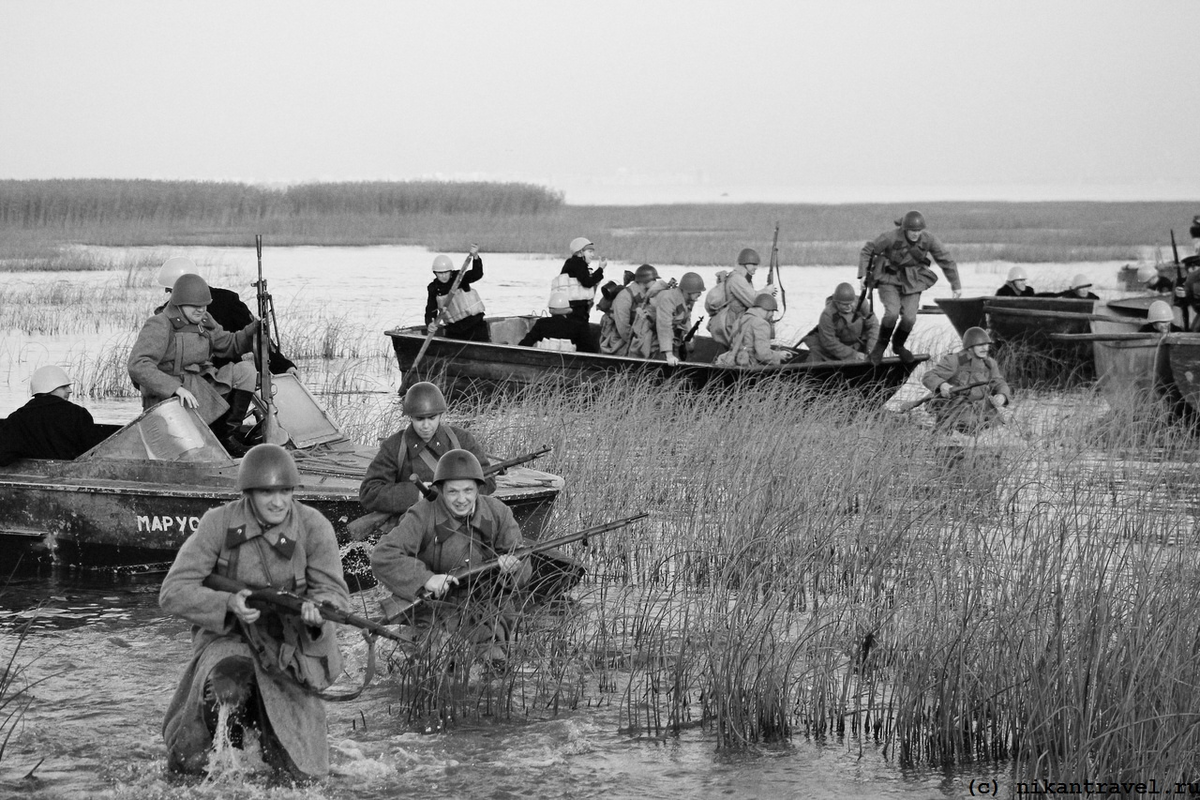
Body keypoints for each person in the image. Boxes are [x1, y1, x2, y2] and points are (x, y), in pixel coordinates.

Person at [159, 444, 350, 780]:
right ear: (248, 493)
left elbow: (334, 591)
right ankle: (208, 765)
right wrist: (226, 604)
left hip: (290, 650)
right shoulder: (218, 523)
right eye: (267, 492)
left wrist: (319, 612)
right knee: (225, 684)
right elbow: (173, 592)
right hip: (229, 639)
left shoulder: (313, 526)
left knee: (299, 774)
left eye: (285, 491)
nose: (278, 502)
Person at [371, 449, 531, 662]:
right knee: (437, 662)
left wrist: (511, 568)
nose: (462, 499)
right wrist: (426, 579)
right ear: (440, 490)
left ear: (478, 489)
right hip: (433, 609)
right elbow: (383, 555)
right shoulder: (423, 513)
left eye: (468, 490)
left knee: (494, 665)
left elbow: (523, 561)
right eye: (453, 492)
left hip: (485, 609)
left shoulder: (498, 512)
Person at [128, 273, 260, 456]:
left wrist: (253, 330)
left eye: (204, 305)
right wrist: (175, 388)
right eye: (195, 306)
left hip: (200, 384)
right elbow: (138, 364)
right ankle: (209, 439)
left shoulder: (204, 321)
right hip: (169, 395)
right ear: (179, 304)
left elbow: (230, 344)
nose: (201, 310)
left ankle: (228, 438)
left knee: (245, 371)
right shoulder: (160, 324)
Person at [359, 382, 494, 522]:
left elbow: (489, 479)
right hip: (414, 524)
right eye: (419, 419)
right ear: (410, 417)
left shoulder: (462, 440)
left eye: (432, 418)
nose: (426, 426)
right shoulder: (395, 446)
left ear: (440, 415)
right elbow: (369, 492)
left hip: (460, 521)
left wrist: (455, 493)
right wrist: (415, 494)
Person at [155, 257, 298, 377]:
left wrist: (284, 367)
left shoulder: (226, 301)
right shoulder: (164, 317)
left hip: (223, 379)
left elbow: (256, 340)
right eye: (170, 292)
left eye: (171, 290)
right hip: (183, 384)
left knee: (245, 373)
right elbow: (146, 363)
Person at [859, 210, 961, 365]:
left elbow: (946, 259)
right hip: (889, 278)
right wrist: (863, 275)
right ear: (905, 229)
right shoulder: (890, 237)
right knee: (892, 313)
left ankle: (898, 345)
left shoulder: (928, 239)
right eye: (912, 231)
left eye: (918, 231)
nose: (915, 234)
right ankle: (880, 346)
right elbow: (867, 251)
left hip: (912, 279)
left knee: (909, 318)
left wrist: (956, 285)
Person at [0, 366, 105, 466]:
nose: (70, 390)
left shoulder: (18, 418)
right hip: (73, 476)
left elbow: (4, 457)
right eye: (64, 387)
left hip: (32, 476)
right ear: (50, 387)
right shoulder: (78, 414)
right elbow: (94, 453)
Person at [921, 327, 1012, 433]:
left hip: (981, 406)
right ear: (969, 347)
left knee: (1000, 427)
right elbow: (929, 376)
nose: (985, 348)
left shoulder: (989, 364)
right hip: (955, 406)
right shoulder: (955, 361)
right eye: (980, 345)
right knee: (966, 425)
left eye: (986, 344)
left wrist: (1002, 395)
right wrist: (942, 385)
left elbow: (999, 383)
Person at [706, 248, 773, 349]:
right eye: (753, 264)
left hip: (738, 322)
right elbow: (753, 301)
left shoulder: (744, 279)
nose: (756, 268)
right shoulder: (737, 279)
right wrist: (766, 291)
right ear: (745, 264)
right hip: (733, 323)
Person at [634, 272, 705, 364]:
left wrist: (687, 334)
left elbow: (686, 319)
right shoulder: (668, 298)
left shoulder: (689, 300)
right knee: (649, 358)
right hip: (649, 330)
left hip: (665, 332)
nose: (700, 294)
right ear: (687, 292)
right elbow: (664, 326)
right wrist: (669, 354)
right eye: (697, 292)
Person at [799, 283, 880, 363]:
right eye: (845, 304)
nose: (849, 306)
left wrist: (871, 351)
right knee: (815, 359)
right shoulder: (827, 314)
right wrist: (853, 355)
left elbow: (873, 326)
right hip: (833, 349)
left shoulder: (862, 304)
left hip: (857, 344)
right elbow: (829, 342)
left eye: (851, 303)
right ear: (837, 303)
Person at [425, 245, 489, 343]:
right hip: (454, 329)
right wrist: (430, 323)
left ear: (451, 271)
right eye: (440, 273)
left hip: (474, 324)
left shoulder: (459, 277)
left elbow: (477, 274)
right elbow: (431, 310)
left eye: (446, 272)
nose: (444, 276)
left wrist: (475, 256)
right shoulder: (433, 288)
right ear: (435, 273)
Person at [604, 264, 671, 356]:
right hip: (619, 342)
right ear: (644, 281)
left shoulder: (648, 295)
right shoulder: (624, 297)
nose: (656, 283)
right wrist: (638, 343)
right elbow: (623, 328)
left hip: (637, 337)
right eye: (653, 280)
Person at [715, 294, 784, 367]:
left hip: (734, 362)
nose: (772, 315)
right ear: (769, 310)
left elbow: (746, 346)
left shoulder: (739, 320)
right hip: (750, 365)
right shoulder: (761, 323)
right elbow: (762, 354)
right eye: (772, 311)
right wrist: (778, 356)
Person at [518, 292, 600, 352]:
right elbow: (589, 350)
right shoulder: (579, 326)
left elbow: (525, 345)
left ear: (550, 310)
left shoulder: (541, 324)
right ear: (568, 309)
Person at [553, 237, 606, 321]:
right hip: (575, 311)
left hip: (567, 308)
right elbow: (587, 282)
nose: (592, 255)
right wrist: (601, 269)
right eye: (590, 252)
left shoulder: (570, 263)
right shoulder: (579, 263)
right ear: (581, 252)